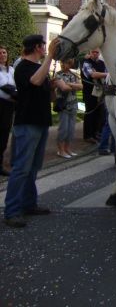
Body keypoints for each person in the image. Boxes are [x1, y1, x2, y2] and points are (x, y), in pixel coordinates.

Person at [3, 34, 59, 228]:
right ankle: (11, 211)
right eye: (44, 45)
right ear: (37, 47)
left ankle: (28, 204)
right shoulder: (23, 67)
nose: (45, 48)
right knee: (21, 168)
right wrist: (50, 56)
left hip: (41, 121)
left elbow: (49, 97)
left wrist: (52, 87)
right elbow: (34, 82)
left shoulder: (39, 68)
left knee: (33, 167)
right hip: (27, 122)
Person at [55, 57, 82, 158]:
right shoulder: (58, 74)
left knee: (71, 129)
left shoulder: (74, 74)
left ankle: (67, 148)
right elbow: (64, 88)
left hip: (73, 104)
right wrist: (74, 85)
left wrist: (69, 84)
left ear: (70, 64)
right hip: (63, 105)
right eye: (62, 62)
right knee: (63, 129)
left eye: (65, 63)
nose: (63, 64)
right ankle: (61, 150)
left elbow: (81, 87)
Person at [81, 49, 107, 143]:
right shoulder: (86, 62)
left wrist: (101, 74)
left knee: (99, 113)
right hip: (89, 92)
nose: (95, 54)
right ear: (90, 53)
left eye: (97, 52)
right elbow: (93, 75)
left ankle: (96, 133)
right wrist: (106, 75)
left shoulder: (102, 63)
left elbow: (100, 74)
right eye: (93, 52)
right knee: (90, 113)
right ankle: (88, 135)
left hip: (100, 92)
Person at [0, 46, 17, 176]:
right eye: (0, 53)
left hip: (9, 105)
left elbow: (15, 86)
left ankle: (0, 164)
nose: (2, 55)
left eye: (4, 52)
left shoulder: (11, 70)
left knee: (5, 134)